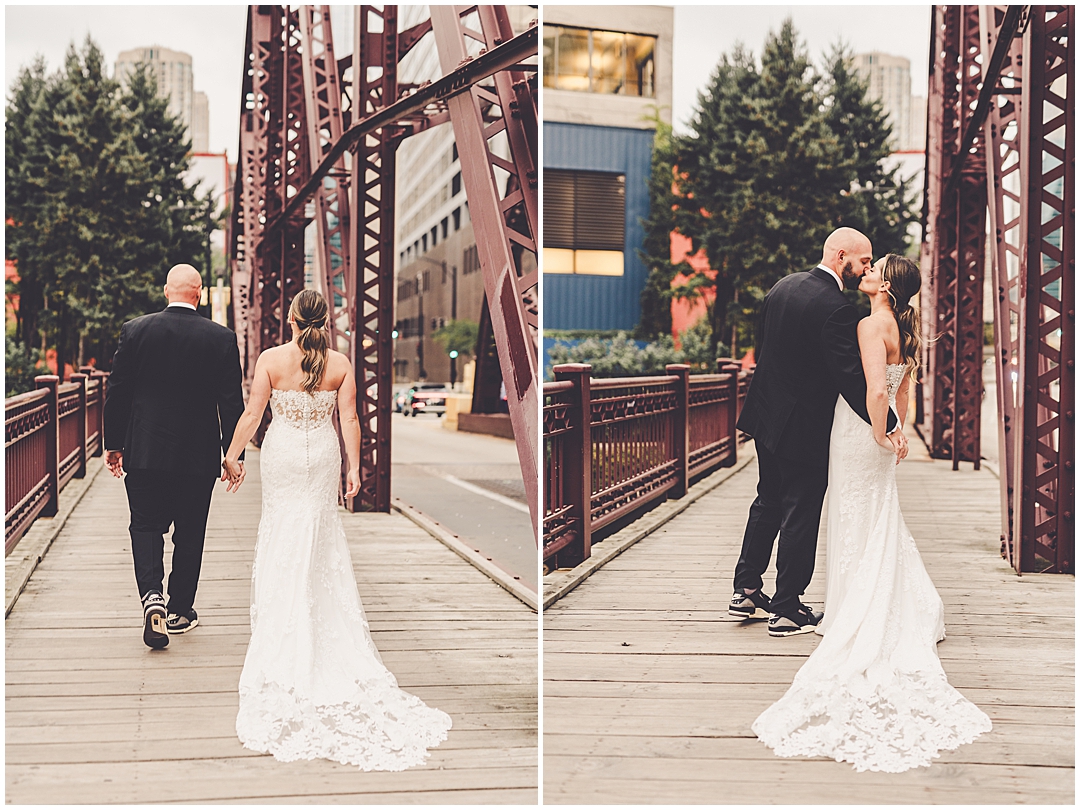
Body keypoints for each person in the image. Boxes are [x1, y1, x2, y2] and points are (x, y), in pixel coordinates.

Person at [752, 254, 992, 771]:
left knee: (852, 514)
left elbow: (875, 390)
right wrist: (897, 429)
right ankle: (874, 596)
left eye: (875, 267)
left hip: (859, 433)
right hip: (880, 432)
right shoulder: (899, 327)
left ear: (885, 283)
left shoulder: (867, 322)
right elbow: (902, 388)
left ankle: (851, 608)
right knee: (879, 513)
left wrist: (880, 431)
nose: (867, 270)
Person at [221, 288, 451, 770]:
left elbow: (252, 415)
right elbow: (349, 417)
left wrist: (234, 453)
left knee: (283, 532)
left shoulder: (269, 359)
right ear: (327, 321)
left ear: (288, 318)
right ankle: (323, 629)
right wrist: (353, 468)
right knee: (320, 537)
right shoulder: (341, 363)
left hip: (283, 457)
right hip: (322, 455)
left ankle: (285, 626)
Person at [730, 228, 905, 637]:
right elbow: (848, 377)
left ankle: (746, 587)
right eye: (863, 261)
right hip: (802, 427)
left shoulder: (782, 287)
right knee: (801, 511)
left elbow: (767, 350)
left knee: (767, 500)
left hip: (764, 416)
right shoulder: (837, 307)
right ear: (841, 254)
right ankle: (787, 607)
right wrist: (891, 424)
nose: (866, 268)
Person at [103, 264, 244, 649]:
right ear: (198, 294)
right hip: (197, 458)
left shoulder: (136, 330)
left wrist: (113, 443)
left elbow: (118, 390)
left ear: (167, 291)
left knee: (146, 526)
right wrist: (233, 455)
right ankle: (181, 609)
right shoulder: (221, 338)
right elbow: (232, 402)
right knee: (190, 532)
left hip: (145, 452)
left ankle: (152, 599)